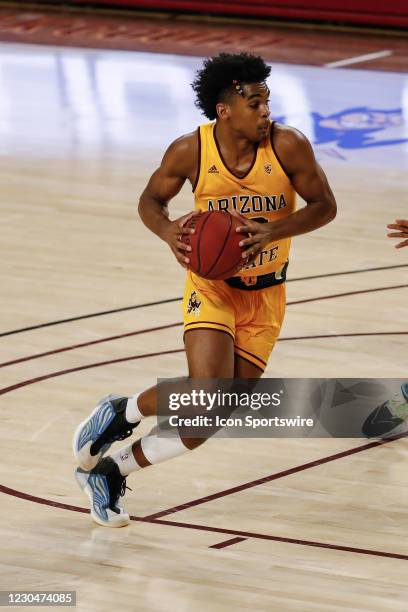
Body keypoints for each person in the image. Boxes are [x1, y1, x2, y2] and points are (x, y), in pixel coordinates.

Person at [73, 52, 337, 527]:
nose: (265, 111)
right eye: (254, 103)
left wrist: (273, 233)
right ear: (225, 109)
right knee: (207, 389)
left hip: (268, 294)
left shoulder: (289, 146)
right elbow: (151, 199)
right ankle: (126, 410)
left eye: (267, 101)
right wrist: (168, 230)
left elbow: (324, 206)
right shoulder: (190, 150)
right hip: (212, 285)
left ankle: (110, 471)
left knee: (207, 419)